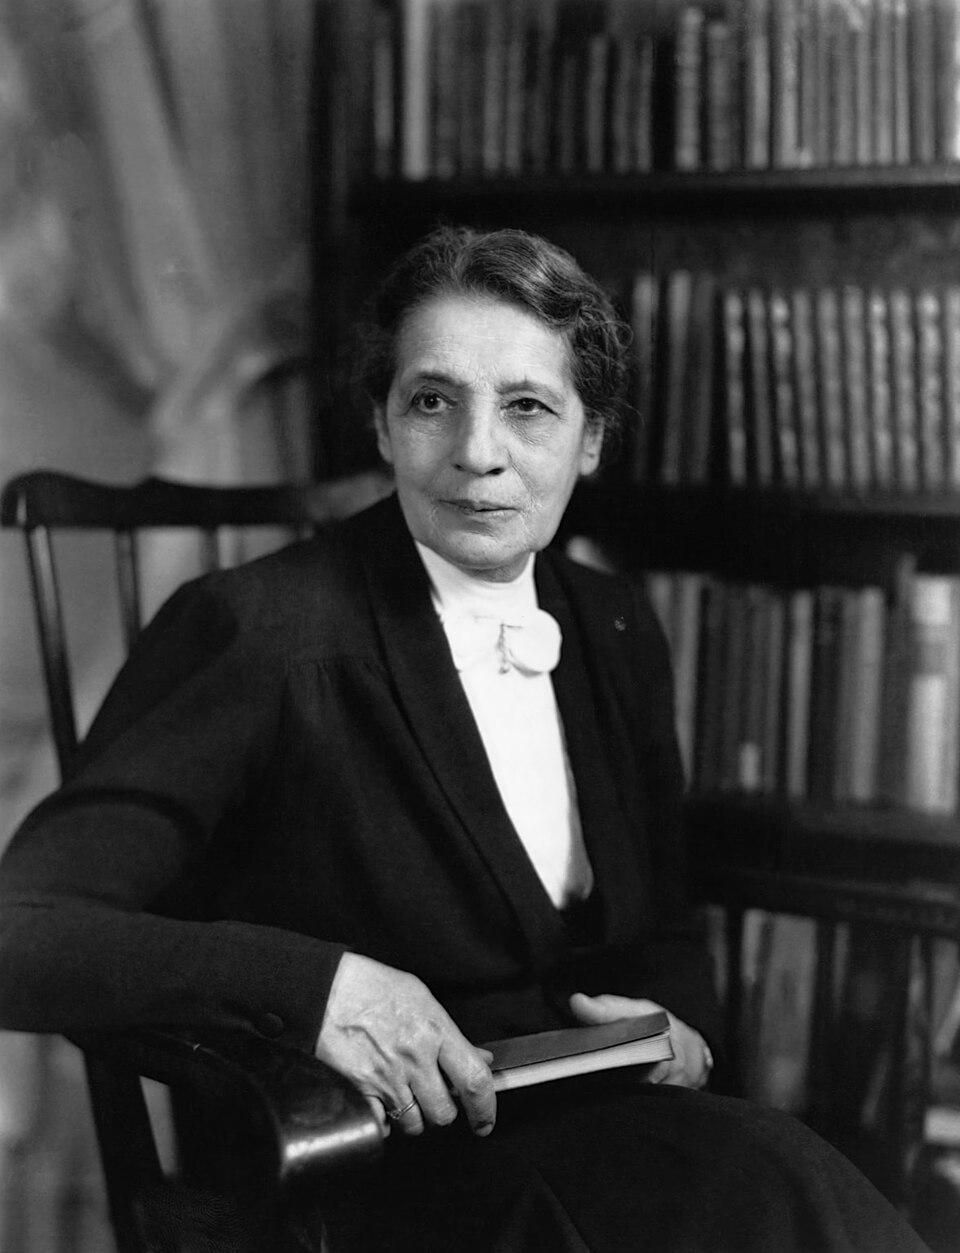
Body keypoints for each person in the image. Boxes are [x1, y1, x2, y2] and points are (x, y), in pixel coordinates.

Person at [0, 226, 930, 1252]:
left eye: (528, 406)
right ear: (383, 424)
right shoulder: (257, 630)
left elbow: (664, 921)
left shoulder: (614, 624)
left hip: (600, 1132)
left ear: (591, 439)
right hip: (354, 1173)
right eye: (433, 400)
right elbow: (22, 932)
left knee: (788, 1185)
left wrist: (670, 1026)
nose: (478, 449)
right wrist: (314, 989)